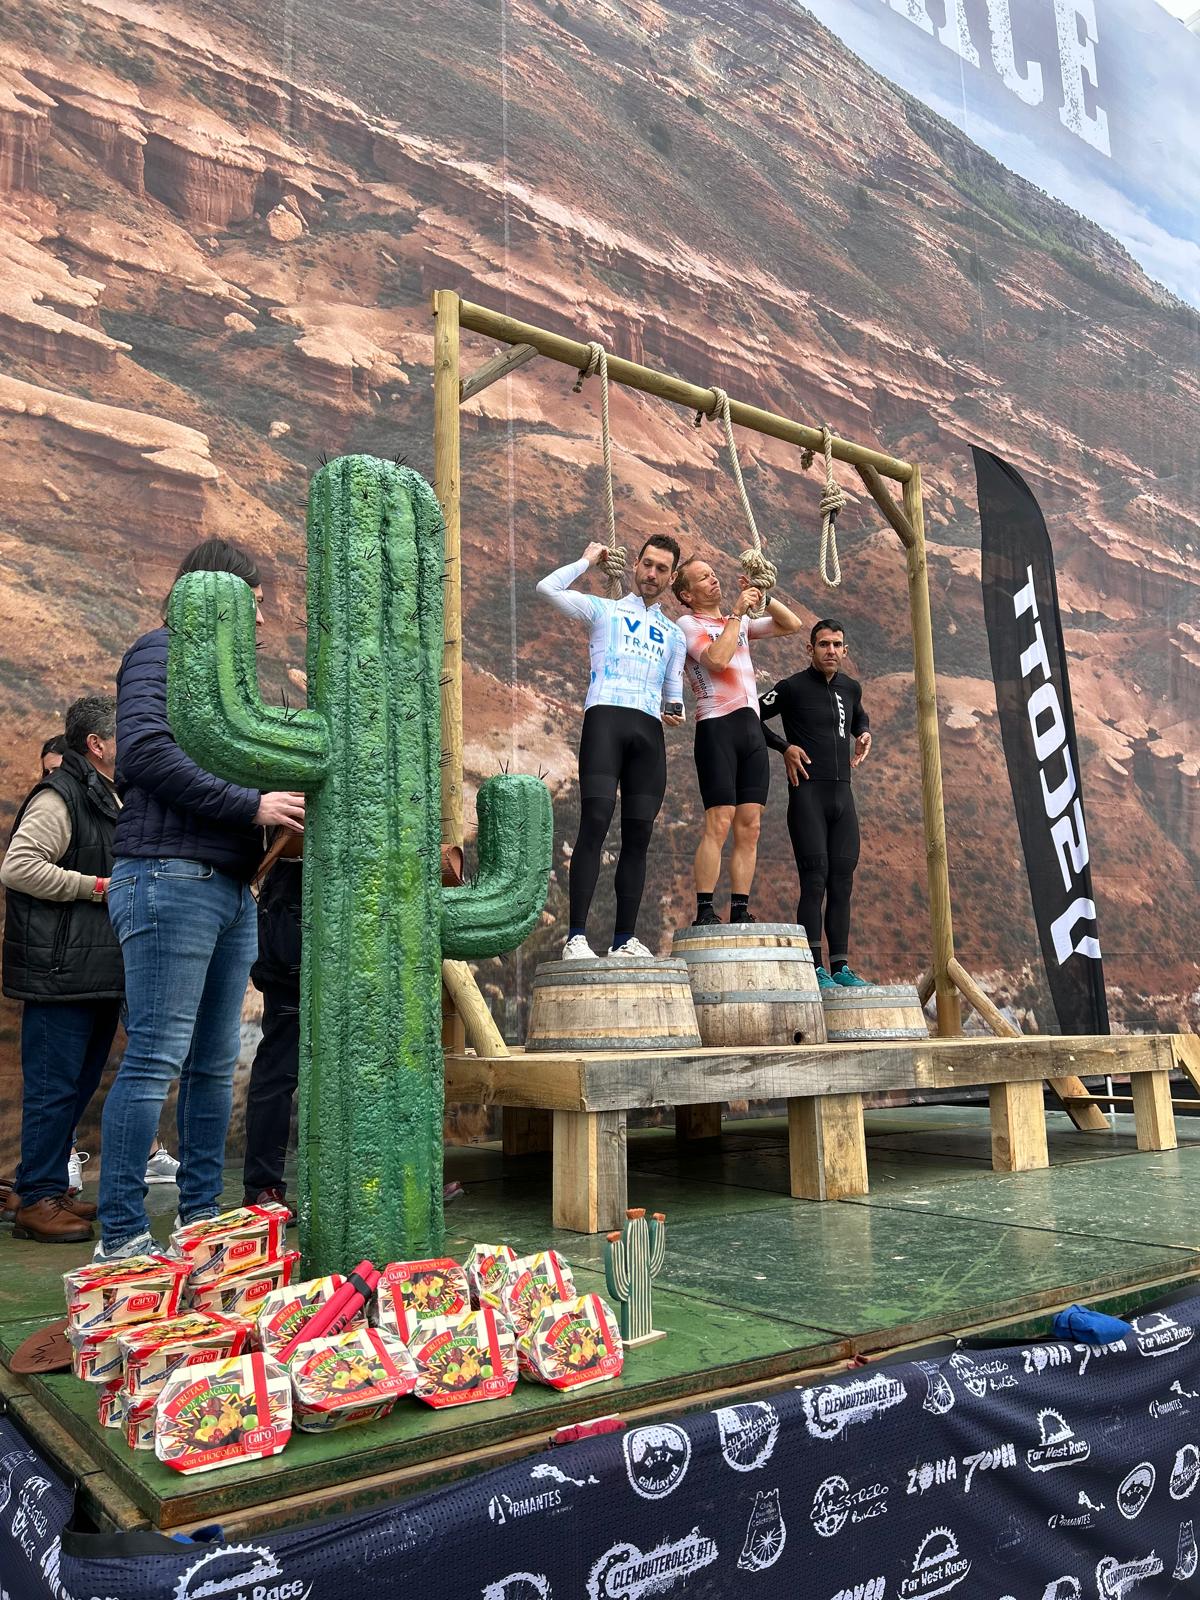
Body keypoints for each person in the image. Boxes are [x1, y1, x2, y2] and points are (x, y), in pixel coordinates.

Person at [94, 539, 305, 1260]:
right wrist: (252, 804)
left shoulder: (227, 685)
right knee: (157, 1057)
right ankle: (122, 1235)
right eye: (252, 603)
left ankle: (201, 1221)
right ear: (211, 594)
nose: (260, 618)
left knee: (212, 1065)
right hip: (168, 877)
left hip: (230, 889)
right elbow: (144, 753)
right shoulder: (159, 652)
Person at [1, 697, 122, 1242]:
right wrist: (96, 887)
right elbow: (19, 867)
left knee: (73, 1087)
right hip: (60, 972)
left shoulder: (104, 793)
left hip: (90, 970)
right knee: (53, 1090)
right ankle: (36, 1201)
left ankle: (42, 1187)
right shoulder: (60, 795)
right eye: (126, 734)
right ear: (97, 744)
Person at [536, 536, 685, 960]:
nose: (652, 574)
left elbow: (673, 694)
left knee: (639, 836)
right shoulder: (604, 610)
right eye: (647, 564)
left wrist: (675, 710)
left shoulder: (674, 635)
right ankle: (576, 938)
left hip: (648, 734)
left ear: (672, 577)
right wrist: (586, 560)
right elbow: (547, 589)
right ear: (635, 564)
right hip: (605, 720)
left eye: (661, 569)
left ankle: (624, 940)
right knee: (595, 823)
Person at [672, 558, 804, 924]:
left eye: (713, 574)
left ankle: (741, 908)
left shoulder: (740, 623)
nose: (713, 580)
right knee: (720, 820)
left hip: (750, 727)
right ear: (687, 594)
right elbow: (716, 659)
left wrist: (764, 597)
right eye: (703, 578)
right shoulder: (688, 624)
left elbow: (792, 625)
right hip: (717, 726)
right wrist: (736, 614)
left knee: (750, 824)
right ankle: (704, 910)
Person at [759, 617, 872, 989]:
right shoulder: (792, 687)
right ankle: (814, 968)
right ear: (810, 648)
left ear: (845, 650)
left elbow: (858, 714)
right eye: (824, 644)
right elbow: (751, 712)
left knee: (842, 882)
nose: (831, 651)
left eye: (837, 645)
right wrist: (784, 747)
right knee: (815, 879)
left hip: (843, 798)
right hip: (808, 795)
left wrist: (863, 732)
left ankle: (840, 967)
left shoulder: (850, 687)